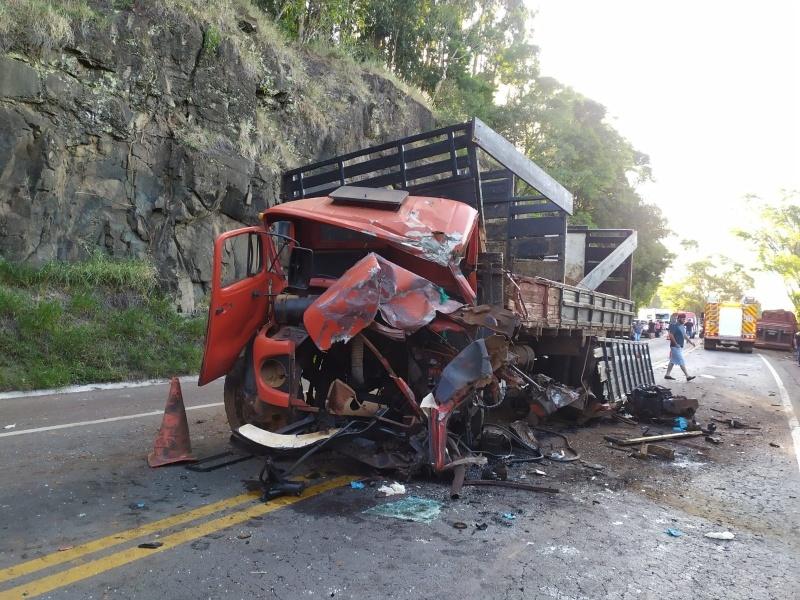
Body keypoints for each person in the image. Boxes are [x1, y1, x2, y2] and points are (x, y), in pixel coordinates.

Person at [665, 313, 696, 381]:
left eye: (684, 319)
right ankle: (687, 376)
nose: (684, 320)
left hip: (680, 346)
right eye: (683, 319)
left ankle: (667, 374)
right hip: (675, 346)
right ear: (679, 318)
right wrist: (675, 344)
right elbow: (671, 335)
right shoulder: (673, 325)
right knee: (681, 360)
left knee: (672, 361)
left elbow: (684, 335)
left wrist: (691, 342)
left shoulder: (682, 326)